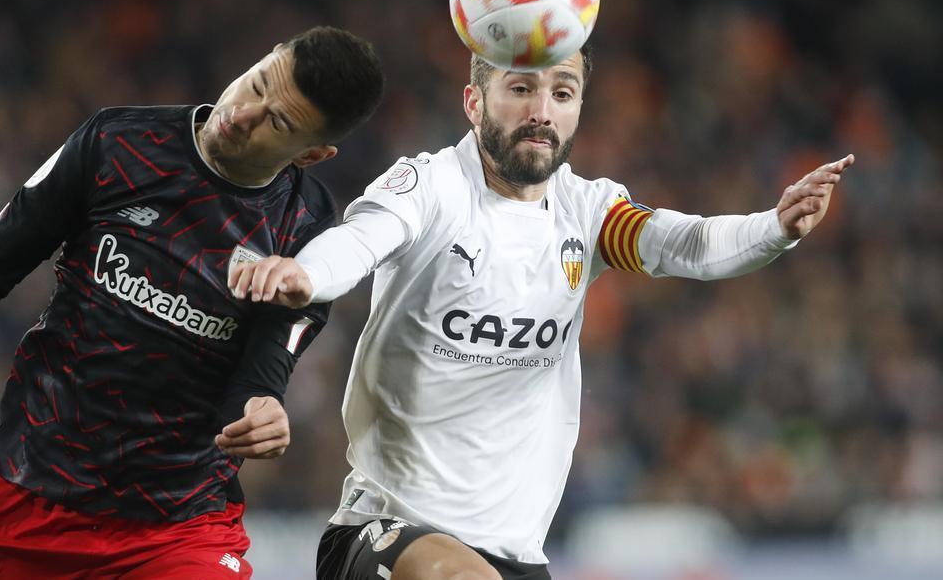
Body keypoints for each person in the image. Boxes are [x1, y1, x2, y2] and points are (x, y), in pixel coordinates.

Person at [229, 47, 855, 580]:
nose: (541, 111)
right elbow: (361, 240)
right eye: (521, 89)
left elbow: (683, 243)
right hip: (385, 538)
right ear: (474, 101)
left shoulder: (589, 213)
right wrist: (306, 272)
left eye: (563, 91)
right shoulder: (430, 187)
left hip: (517, 558)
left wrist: (775, 227)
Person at [0, 26, 384, 579]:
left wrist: (263, 410)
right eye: (257, 84)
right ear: (266, 56)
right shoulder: (119, 142)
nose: (241, 114)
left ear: (311, 155)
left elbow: (262, 372)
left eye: (276, 122)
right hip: (34, 494)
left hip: (177, 526)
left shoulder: (308, 234)